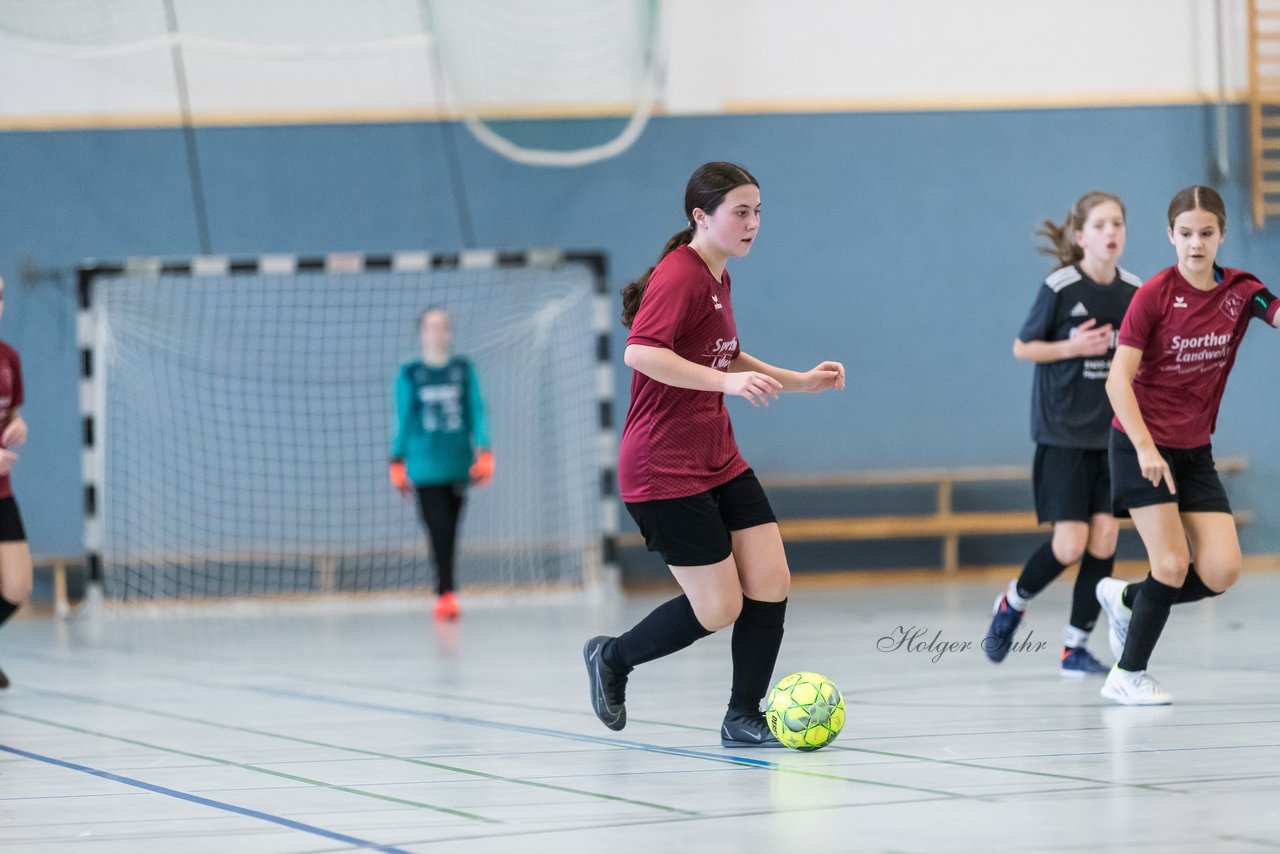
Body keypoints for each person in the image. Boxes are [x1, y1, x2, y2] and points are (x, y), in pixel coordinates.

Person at [582, 161, 845, 747]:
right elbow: (641, 354)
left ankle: (742, 717)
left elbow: (726, 353)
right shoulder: (680, 274)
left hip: (716, 457)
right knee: (719, 605)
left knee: (771, 580)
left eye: (758, 212)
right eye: (740, 212)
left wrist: (797, 381)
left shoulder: (718, 275)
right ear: (702, 217)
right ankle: (613, 658)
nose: (753, 223)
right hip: (662, 468)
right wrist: (725, 385)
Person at [1096, 185, 1279, 705]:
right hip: (1140, 444)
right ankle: (1127, 675)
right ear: (1169, 235)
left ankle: (1128, 597)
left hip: (1194, 451)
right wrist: (1146, 447)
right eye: (1185, 234)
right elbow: (1117, 382)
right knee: (1172, 564)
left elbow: (1275, 311)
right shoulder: (1153, 295)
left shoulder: (1244, 291)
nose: (1195, 244)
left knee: (1222, 570)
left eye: (1206, 234)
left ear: (1221, 234)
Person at [983, 192, 1141, 675]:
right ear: (1080, 236)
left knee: (1105, 539)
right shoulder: (1060, 285)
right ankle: (1012, 601)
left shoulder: (1135, 290)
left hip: (1111, 435)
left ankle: (1074, 646)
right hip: (1063, 434)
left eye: (1118, 223)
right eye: (1100, 224)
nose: (1111, 232)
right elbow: (1022, 348)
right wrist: (1072, 346)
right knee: (1070, 544)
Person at [389, 308, 493, 621]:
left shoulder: (463, 369)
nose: (437, 333)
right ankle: (445, 592)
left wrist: (485, 450)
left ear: (450, 332)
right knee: (438, 527)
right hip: (424, 465)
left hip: (458, 461)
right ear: (421, 332)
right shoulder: (410, 372)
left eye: (443, 327)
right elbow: (403, 416)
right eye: (431, 327)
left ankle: (445, 589)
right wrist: (396, 458)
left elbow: (477, 410)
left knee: (450, 528)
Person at [0, 274, 31, 689]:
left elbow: (13, 412)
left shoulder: (8, 358)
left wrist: (18, 425)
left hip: (1, 491)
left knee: (18, 584)